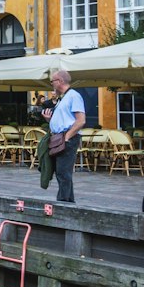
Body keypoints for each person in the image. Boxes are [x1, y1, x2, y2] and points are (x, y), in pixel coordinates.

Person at [44, 69, 87, 203]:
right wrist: (49, 120)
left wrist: (67, 136)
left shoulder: (73, 96)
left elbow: (81, 120)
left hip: (67, 138)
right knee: (61, 172)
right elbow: (63, 120)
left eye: (52, 81)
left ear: (60, 81)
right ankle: (68, 202)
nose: (51, 84)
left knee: (63, 172)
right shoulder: (63, 97)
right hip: (59, 137)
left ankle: (63, 202)